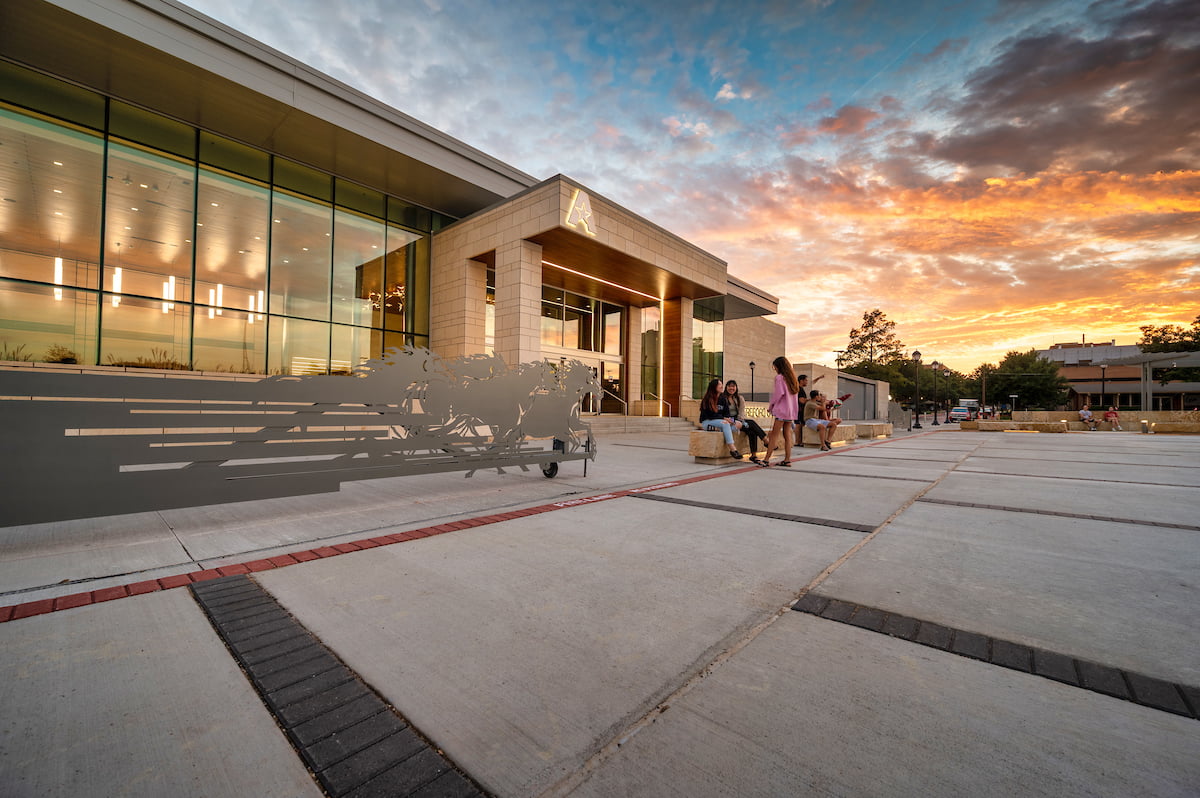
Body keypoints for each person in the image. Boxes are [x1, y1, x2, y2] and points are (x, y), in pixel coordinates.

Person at [758, 356, 799, 467]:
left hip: (781, 411)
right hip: (790, 412)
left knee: (774, 436)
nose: (774, 369)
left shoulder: (780, 378)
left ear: (779, 366)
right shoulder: (792, 379)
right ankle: (787, 459)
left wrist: (771, 406)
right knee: (787, 436)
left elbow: (778, 394)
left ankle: (766, 460)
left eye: (774, 367)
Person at [721, 379, 766, 463]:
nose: (731, 388)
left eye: (733, 386)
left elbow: (741, 412)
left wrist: (739, 421)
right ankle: (765, 440)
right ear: (726, 387)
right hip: (728, 420)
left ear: (736, 388)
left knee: (752, 430)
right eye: (729, 386)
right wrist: (734, 421)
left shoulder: (739, 398)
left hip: (738, 420)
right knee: (751, 423)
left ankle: (754, 455)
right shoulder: (722, 398)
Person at [698, 378, 742, 459]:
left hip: (720, 422)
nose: (721, 386)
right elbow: (710, 415)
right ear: (714, 386)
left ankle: (717, 429)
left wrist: (732, 421)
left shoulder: (723, 399)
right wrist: (724, 419)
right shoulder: (707, 399)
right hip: (708, 421)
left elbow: (727, 414)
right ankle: (732, 449)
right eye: (719, 385)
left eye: (721, 384)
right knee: (725, 424)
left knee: (738, 424)